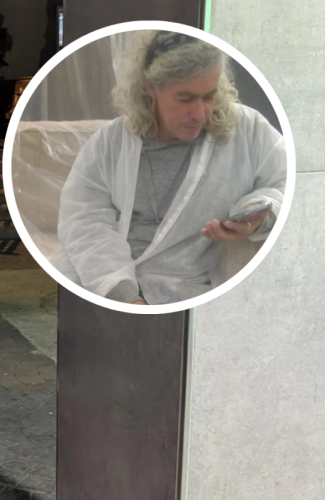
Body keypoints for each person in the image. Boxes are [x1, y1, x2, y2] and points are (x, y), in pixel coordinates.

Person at [52, 30, 287, 306]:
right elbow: (84, 220)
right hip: (102, 282)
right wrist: (121, 293)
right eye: (185, 99)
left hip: (188, 287)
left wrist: (259, 213)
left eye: (209, 97)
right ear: (150, 88)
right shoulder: (111, 142)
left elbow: (287, 184)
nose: (199, 114)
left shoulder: (248, 130)